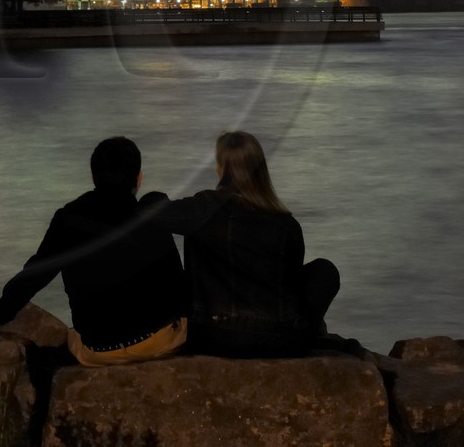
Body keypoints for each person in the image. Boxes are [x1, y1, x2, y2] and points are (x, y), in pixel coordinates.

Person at [0, 136, 188, 367]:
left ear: (93, 177)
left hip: (99, 350)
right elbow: (177, 282)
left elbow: (36, 274)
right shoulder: (153, 213)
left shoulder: (68, 219)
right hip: (159, 342)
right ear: (139, 178)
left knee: (72, 336)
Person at [144, 131, 342, 358]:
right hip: (280, 341)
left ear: (221, 168)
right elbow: (292, 284)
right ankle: (312, 333)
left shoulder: (203, 209)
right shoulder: (286, 224)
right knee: (325, 270)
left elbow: (151, 212)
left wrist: (155, 197)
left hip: (213, 336)